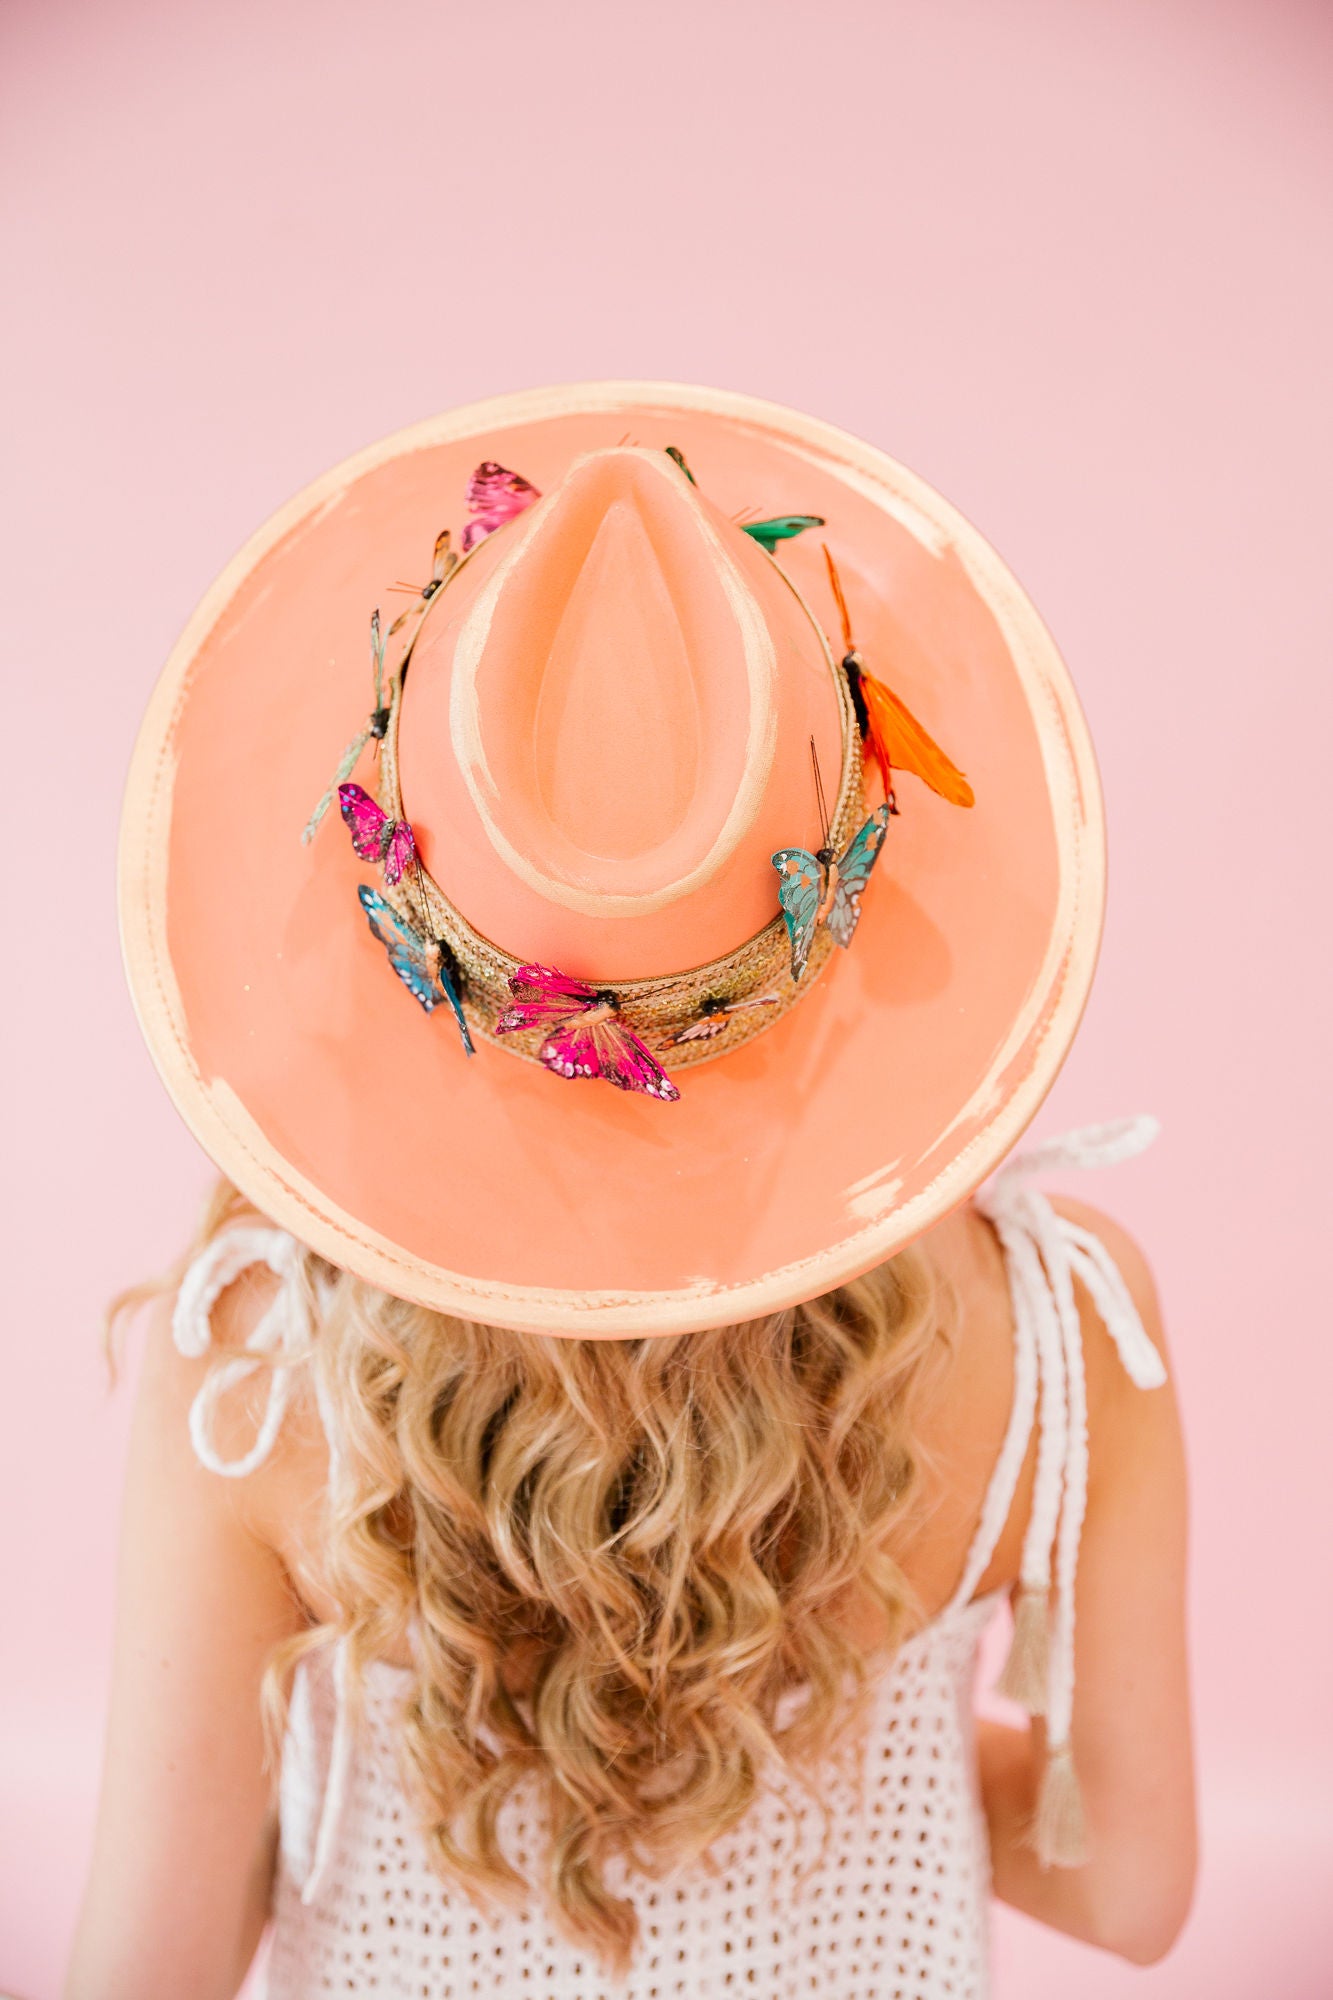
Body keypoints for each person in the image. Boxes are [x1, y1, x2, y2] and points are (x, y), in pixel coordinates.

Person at [69, 388, 1196, 1998]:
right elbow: (1131, 1891)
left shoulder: (255, 1376)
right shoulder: (1064, 1327)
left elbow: (147, 1968)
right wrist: (790, 1724)